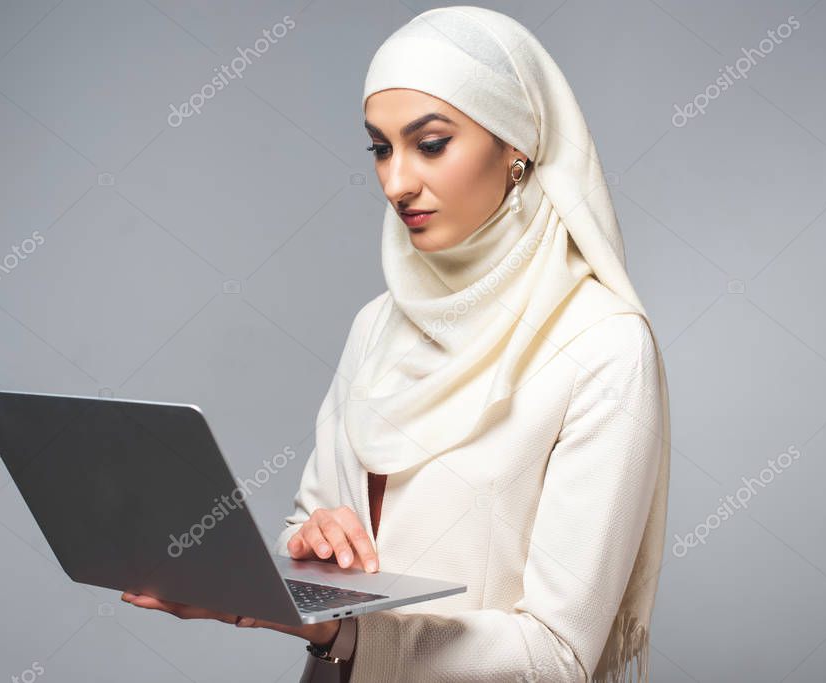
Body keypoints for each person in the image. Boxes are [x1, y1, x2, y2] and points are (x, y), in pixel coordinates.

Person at [125, 6, 671, 682]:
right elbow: (308, 523)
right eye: (380, 147)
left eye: (431, 142)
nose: (395, 181)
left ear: (516, 145)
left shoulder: (603, 346)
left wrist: (338, 631)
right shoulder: (376, 325)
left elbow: (556, 656)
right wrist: (310, 544)